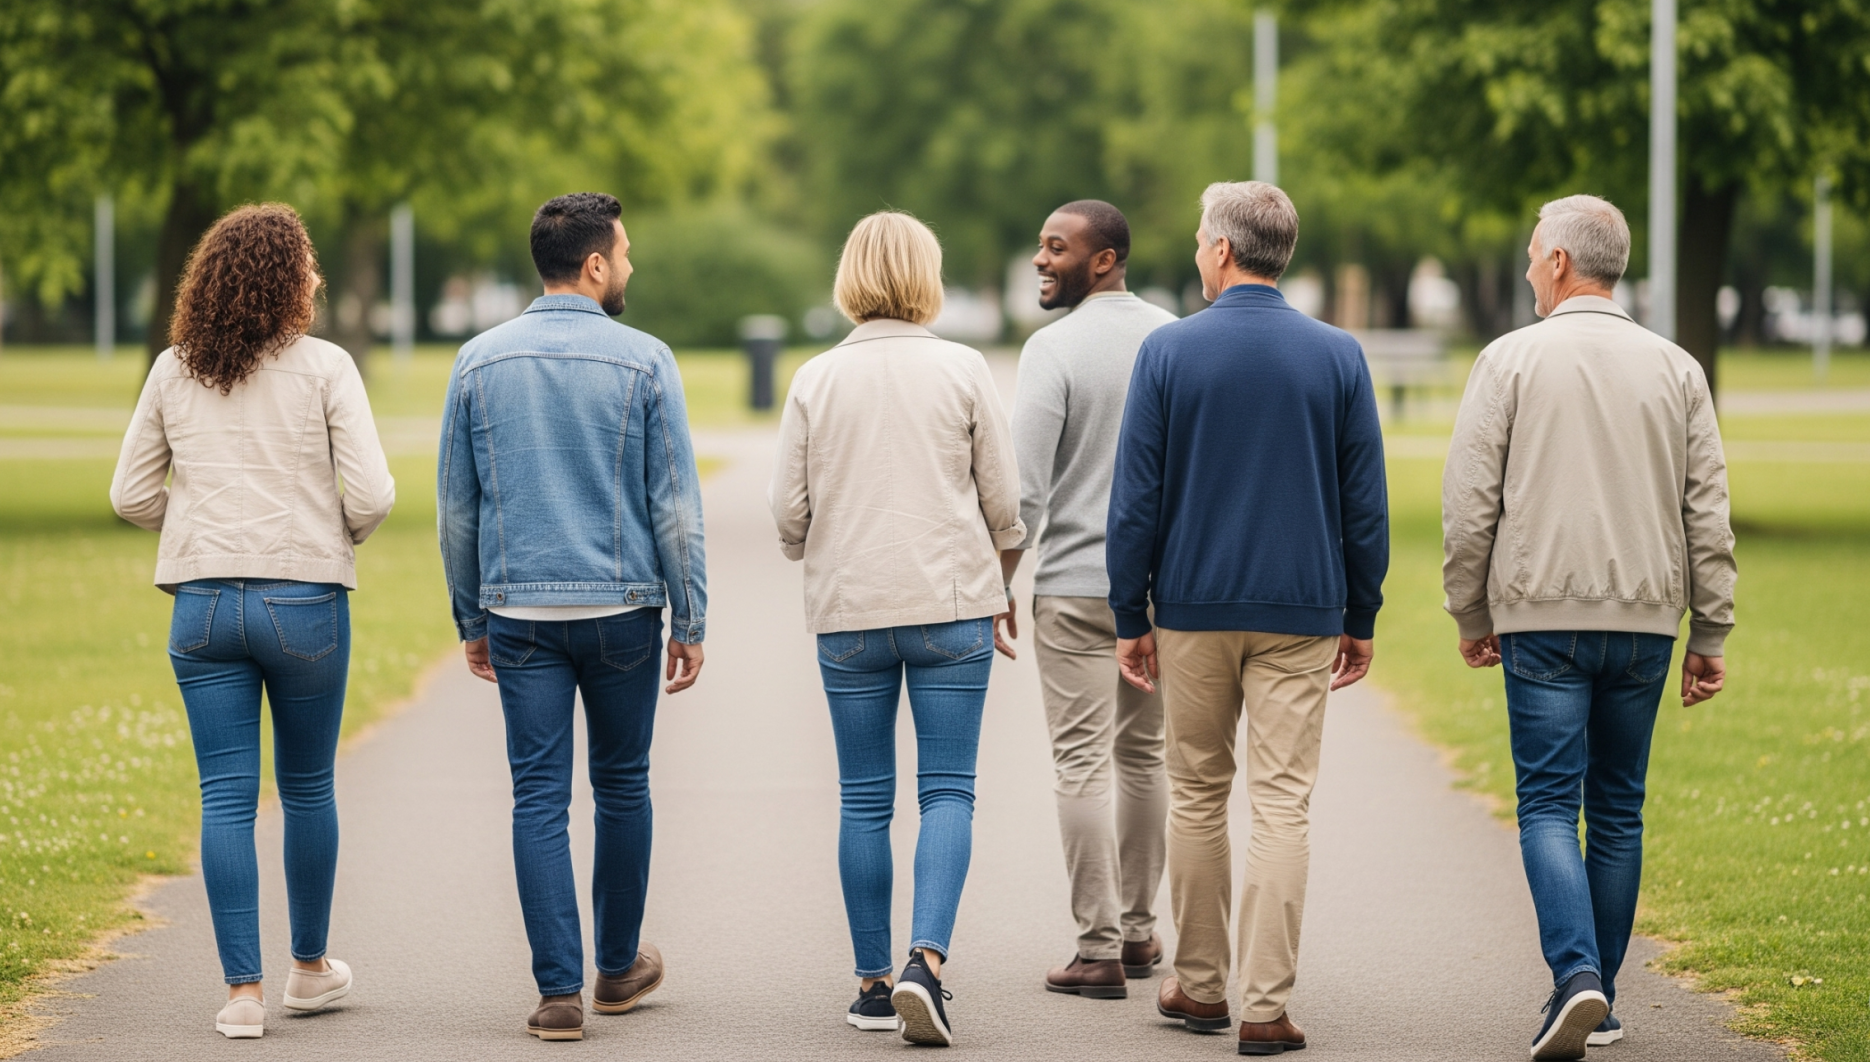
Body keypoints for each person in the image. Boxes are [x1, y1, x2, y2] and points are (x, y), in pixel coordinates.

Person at [1441, 195, 1735, 1061]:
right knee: (1617, 810)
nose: (1530, 268)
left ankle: (1576, 978)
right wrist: (1710, 632)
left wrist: (1470, 609)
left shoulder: (1509, 361)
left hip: (1542, 619)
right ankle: (1599, 1003)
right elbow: (1707, 513)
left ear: (1562, 261)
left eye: (1535, 254)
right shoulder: (1678, 368)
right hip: (1646, 624)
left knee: (1545, 804)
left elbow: (1468, 508)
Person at [1106, 181, 1388, 1056]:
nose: (1196, 253)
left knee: (1196, 791)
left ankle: (1198, 986)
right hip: (1302, 607)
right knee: (1282, 802)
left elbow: (1136, 498)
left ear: (1224, 250)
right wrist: (1362, 609)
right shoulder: (1337, 354)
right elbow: (1364, 503)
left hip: (1191, 605)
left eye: (1200, 240)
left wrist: (1130, 611)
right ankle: (1265, 1006)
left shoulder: (1168, 352)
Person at [109, 204, 395, 1039]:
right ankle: (309, 972)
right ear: (282, 278)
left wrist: (198, 530)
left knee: (224, 798)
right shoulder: (327, 367)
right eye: (307, 264)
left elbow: (129, 496)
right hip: (303, 600)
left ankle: (242, 995)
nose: (317, 276)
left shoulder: (174, 369)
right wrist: (325, 539)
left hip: (201, 607)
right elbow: (373, 494)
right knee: (307, 787)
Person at [438, 192, 707, 1042]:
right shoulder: (647, 359)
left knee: (538, 798)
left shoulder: (478, 361)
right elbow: (674, 508)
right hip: (625, 610)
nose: (629, 266)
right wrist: (690, 618)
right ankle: (618, 969)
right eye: (623, 253)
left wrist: (469, 617)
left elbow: (458, 511)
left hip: (519, 609)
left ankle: (559, 992)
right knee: (623, 786)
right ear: (593, 264)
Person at [769, 210, 1024, 1047]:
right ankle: (928, 963)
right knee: (947, 789)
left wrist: (814, 541)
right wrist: (1003, 582)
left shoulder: (813, 379)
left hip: (849, 613)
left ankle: (874, 983)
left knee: (863, 798)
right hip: (952, 605)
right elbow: (1004, 504)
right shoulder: (963, 368)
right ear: (928, 275)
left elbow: (789, 517)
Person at [997, 200, 1176, 1000]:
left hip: (1072, 587)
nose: (1041, 259)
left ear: (1104, 259)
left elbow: (1024, 492)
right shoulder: (1175, 338)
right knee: (1144, 758)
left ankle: (1097, 947)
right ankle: (1140, 936)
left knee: (1081, 764)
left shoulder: (1053, 349)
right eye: (1040, 245)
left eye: (1056, 247)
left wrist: (997, 579)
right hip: (1163, 595)